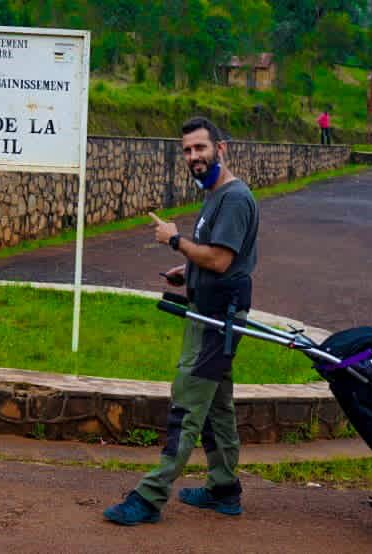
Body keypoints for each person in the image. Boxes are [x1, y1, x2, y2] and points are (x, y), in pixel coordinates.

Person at [103, 116, 259, 525]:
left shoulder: (235, 198)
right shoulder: (215, 196)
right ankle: (224, 489)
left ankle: (150, 496)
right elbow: (212, 256)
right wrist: (187, 270)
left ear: (220, 149)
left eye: (200, 148)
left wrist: (174, 239)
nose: (193, 157)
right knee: (217, 406)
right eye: (187, 150)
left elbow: (222, 260)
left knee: (188, 405)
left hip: (217, 321)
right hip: (209, 312)